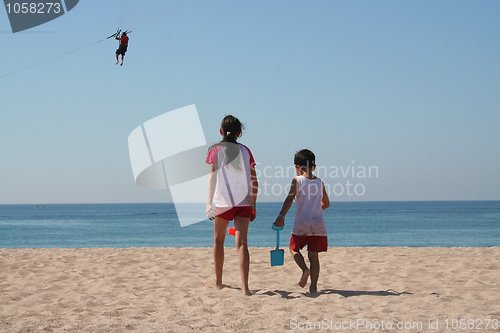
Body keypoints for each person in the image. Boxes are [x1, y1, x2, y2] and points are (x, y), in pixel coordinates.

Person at [205, 115, 258, 296]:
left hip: (222, 203)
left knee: (218, 241)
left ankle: (219, 282)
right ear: (239, 133)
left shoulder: (215, 150)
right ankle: (245, 288)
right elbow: (254, 180)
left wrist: (207, 204)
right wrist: (253, 204)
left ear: (221, 131)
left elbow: (212, 177)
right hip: (243, 202)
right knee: (242, 244)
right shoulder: (246, 151)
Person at [274, 149, 330, 295]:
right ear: (314, 166)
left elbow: (289, 199)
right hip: (318, 225)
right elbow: (326, 204)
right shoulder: (319, 182)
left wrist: (281, 216)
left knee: (293, 248)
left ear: (298, 167)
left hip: (301, 224)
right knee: (314, 256)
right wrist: (316, 210)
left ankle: (304, 270)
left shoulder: (297, 180)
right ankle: (314, 287)